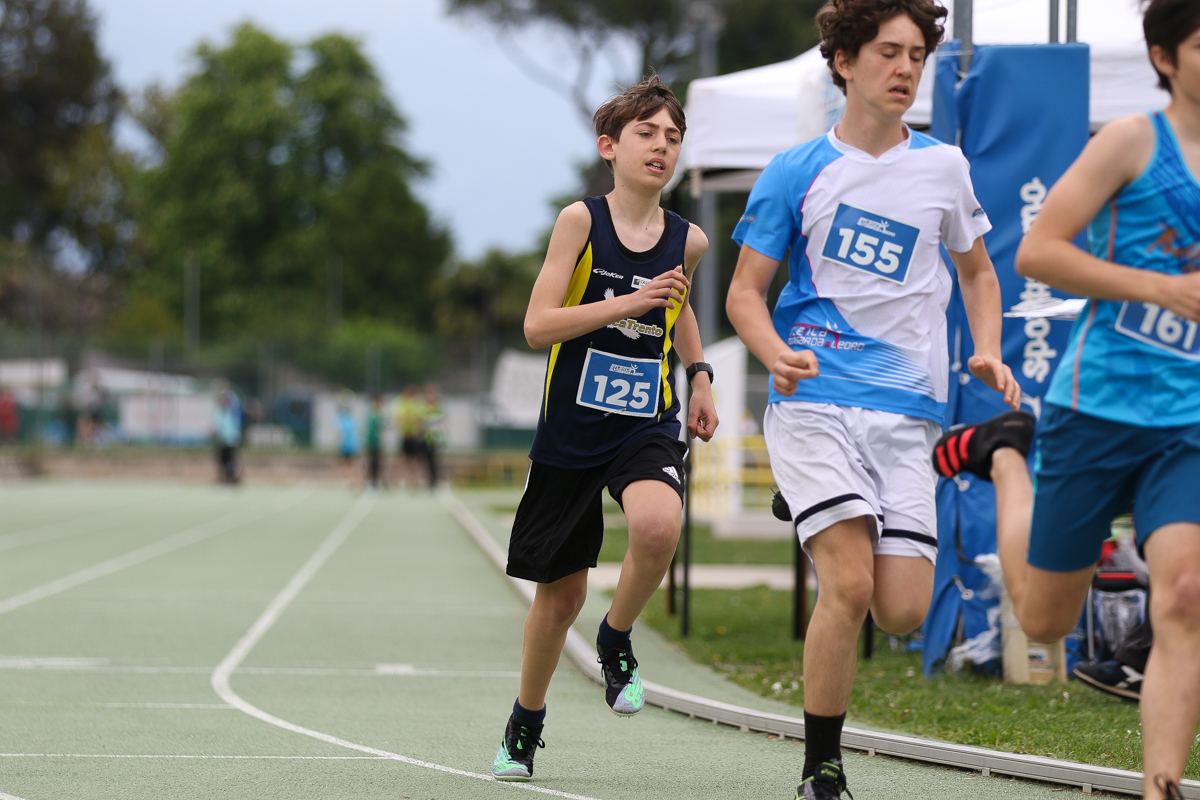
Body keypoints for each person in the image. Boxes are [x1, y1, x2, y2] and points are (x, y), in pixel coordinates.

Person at [724, 0, 1019, 795]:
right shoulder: (795, 170)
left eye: (916, 55)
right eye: (888, 52)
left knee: (901, 611)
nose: (905, 69)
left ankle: (812, 503)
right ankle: (822, 769)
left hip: (907, 411)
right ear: (845, 62)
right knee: (849, 585)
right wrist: (775, 353)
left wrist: (987, 348)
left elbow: (978, 273)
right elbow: (745, 293)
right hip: (816, 396)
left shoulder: (944, 168)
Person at [932, 3, 1200, 796]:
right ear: (1164, 57)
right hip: (1100, 405)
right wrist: (1160, 289)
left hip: (1188, 419)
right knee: (1045, 620)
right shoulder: (1132, 140)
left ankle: (1159, 785)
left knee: (1185, 596)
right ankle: (1005, 458)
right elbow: (1041, 252)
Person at [490, 75, 718, 784]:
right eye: (646, 133)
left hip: (644, 420)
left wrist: (699, 375)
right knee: (560, 598)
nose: (661, 147)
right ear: (609, 146)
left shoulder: (688, 239)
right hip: (571, 428)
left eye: (673, 137)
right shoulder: (579, 222)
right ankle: (525, 722)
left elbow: (678, 307)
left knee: (657, 525)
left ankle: (616, 637)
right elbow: (538, 326)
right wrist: (628, 301)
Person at [395, 384, 426, 488]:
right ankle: (406, 480)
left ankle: (417, 480)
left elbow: (421, 419)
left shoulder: (418, 404)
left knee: (417, 460)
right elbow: (398, 418)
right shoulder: (402, 403)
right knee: (406, 460)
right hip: (406, 435)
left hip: (416, 436)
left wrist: (417, 427)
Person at [212, 386, 242, 484]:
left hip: (229, 438)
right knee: (223, 460)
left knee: (229, 459)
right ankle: (226, 477)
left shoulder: (231, 408)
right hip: (223, 439)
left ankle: (231, 477)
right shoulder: (220, 410)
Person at [420, 383, 445, 490]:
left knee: (436, 460)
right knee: (426, 460)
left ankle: (436, 480)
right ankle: (429, 480)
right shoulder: (423, 407)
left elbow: (443, 422)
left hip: (436, 438)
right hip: (426, 438)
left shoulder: (439, 407)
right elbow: (421, 422)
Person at [364, 394, 384, 488]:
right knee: (371, 462)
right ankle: (370, 480)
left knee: (377, 462)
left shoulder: (379, 413)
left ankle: (376, 480)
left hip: (377, 442)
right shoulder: (372, 413)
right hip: (371, 442)